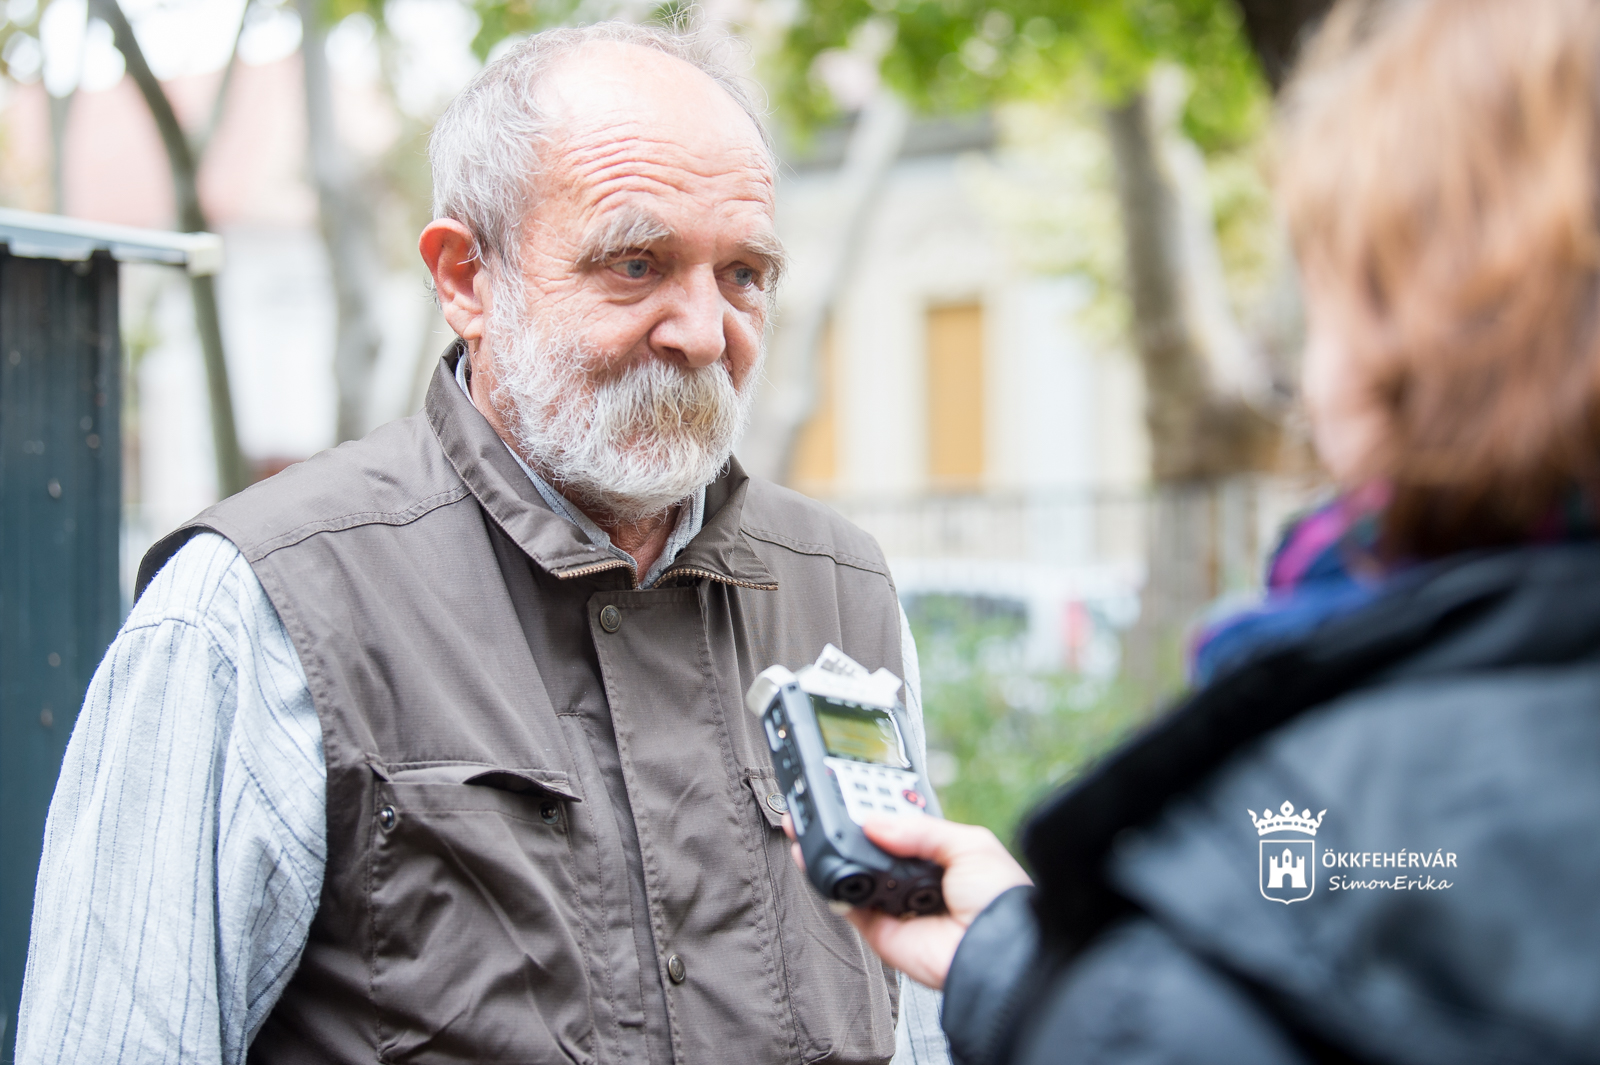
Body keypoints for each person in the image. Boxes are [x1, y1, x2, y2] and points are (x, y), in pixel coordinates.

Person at [15, 23, 948, 1065]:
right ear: (467, 278)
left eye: (743, 274)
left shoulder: (839, 594)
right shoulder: (256, 607)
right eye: (636, 263)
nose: (701, 330)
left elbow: (919, 1028)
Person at [824, 1, 1600, 1062]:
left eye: (1324, 285)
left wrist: (1094, 992)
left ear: (1406, 340)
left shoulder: (1298, 835)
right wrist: (1015, 955)